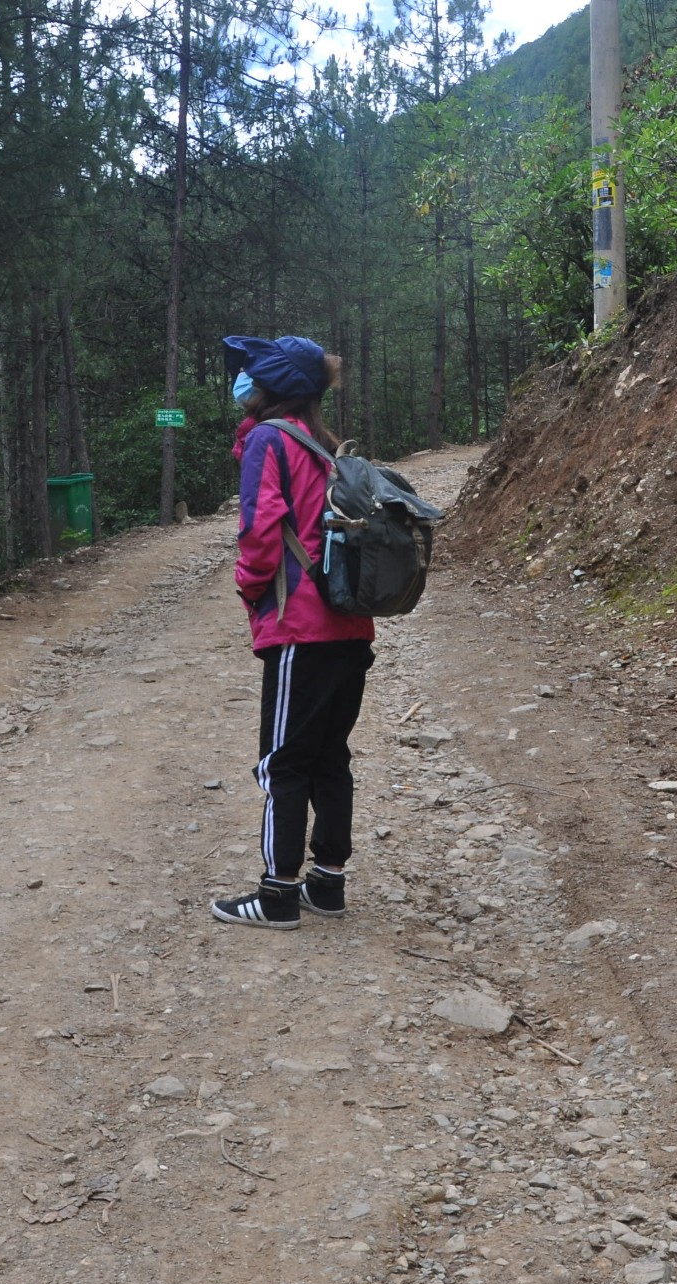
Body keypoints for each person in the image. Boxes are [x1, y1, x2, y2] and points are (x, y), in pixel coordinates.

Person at [212, 334, 370, 930]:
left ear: (272, 386)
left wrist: (252, 592)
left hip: (299, 629)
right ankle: (327, 885)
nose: (243, 382)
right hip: (351, 627)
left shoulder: (266, 442)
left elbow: (258, 532)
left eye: (251, 374)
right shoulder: (324, 448)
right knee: (330, 756)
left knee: (284, 761)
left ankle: (276, 894)